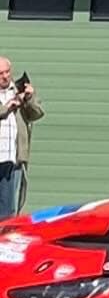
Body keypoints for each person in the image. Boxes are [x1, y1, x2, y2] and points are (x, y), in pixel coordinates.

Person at [0, 57, 43, 216]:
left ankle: (4, 231)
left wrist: (29, 98)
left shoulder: (18, 91)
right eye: (0, 74)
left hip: (12, 158)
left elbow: (37, 114)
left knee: (8, 208)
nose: (5, 76)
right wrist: (8, 106)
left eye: (7, 72)